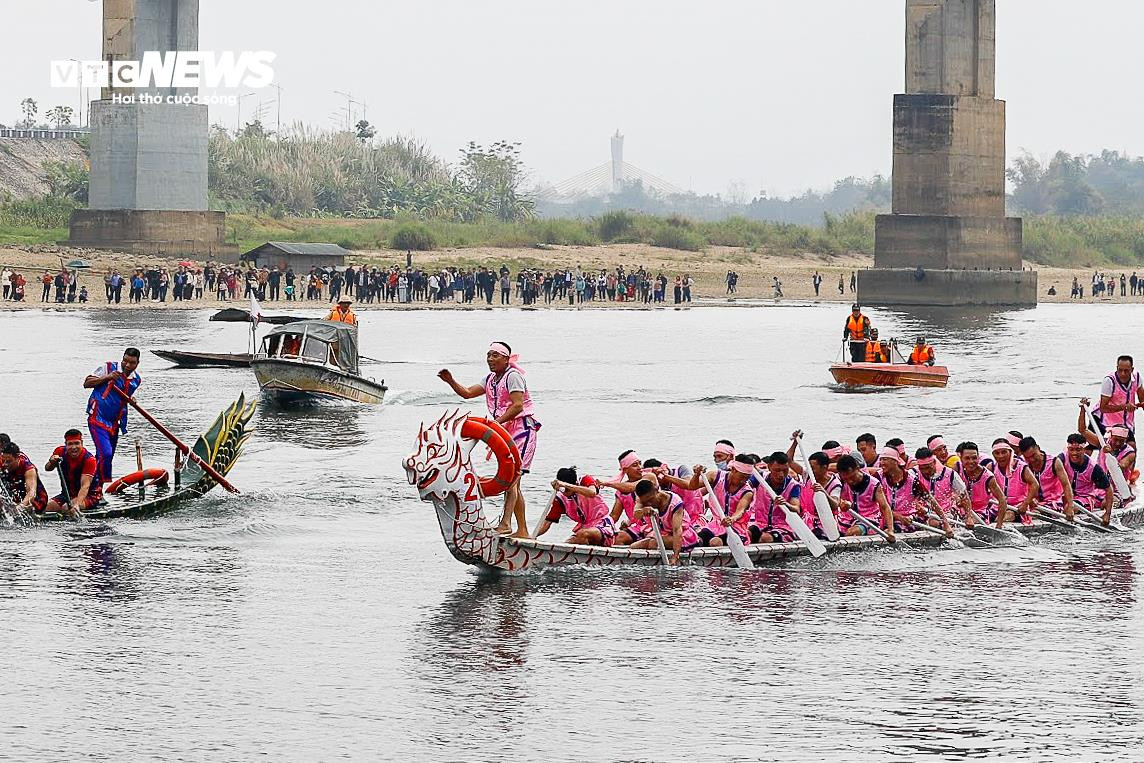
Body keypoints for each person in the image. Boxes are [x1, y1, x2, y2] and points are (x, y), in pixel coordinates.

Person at [438, 342, 540, 538]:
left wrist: (496, 424)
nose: (490, 359)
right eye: (488, 355)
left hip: (522, 429)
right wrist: (451, 381)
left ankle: (506, 525)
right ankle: (523, 531)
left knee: (512, 480)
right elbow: (467, 394)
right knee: (514, 483)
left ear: (506, 358)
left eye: (495, 355)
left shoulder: (513, 376)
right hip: (505, 430)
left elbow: (518, 406)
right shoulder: (491, 379)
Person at [83, 348, 143, 485]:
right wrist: (108, 377)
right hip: (97, 418)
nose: (127, 365)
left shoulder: (136, 380)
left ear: (137, 363)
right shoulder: (108, 367)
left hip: (114, 423)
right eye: (125, 361)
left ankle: (95, 488)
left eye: (131, 363)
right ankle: (97, 487)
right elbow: (87, 383)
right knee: (106, 453)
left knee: (104, 457)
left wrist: (130, 399)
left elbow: (121, 396)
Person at [534, 467, 615, 546]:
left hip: (603, 526)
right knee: (571, 540)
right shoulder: (560, 499)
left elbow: (592, 493)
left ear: (575, 483)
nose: (564, 493)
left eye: (567, 490)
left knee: (582, 534)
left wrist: (567, 485)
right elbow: (546, 523)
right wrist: (532, 536)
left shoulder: (585, 480)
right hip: (584, 529)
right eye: (563, 490)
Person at [629, 479, 697, 564]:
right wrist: (643, 510)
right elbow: (636, 514)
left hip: (682, 537)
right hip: (664, 535)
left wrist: (675, 557)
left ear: (657, 491)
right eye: (646, 502)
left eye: (650, 499)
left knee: (653, 543)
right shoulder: (642, 499)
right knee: (633, 546)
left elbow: (677, 531)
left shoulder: (675, 503)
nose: (649, 503)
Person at [44, 429, 101, 517]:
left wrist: (77, 505)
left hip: (89, 496)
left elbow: (85, 486)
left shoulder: (89, 460)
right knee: (47, 507)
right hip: (67, 494)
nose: (74, 447)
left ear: (81, 443)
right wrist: (52, 462)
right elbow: (47, 468)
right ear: (66, 444)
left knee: (66, 507)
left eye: (77, 443)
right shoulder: (59, 452)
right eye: (70, 444)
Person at [837, 455, 895, 541]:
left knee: (851, 532)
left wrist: (890, 530)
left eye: (852, 477)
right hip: (845, 520)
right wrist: (840, 502)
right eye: (846, 479)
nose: (850, 481)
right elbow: (834, 498)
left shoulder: (874, 484)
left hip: (868, 521)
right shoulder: (838, 480)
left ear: (857, 468)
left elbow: (885, 507)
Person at [1018, 436, 1077, 521]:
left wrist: (1070, 506)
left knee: (1034, 515)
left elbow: (1066, 485)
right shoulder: (1023, 464)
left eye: (1034, 455)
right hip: (1031, 503)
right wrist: (1029, 500)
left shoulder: (1054, 462)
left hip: (1052, 503)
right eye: (1027, 458)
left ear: (1038, 448)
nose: (1032, 460)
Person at [1061, 433, 1114, 525]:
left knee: (1068, 508)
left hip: (1083, 498)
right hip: (1064, 495)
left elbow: (1109, 490)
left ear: (1084, 449)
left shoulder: (1093, 468)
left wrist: (1107, 514)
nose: (1074, 453)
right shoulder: (1061, 459)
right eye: (1071, 450)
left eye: (1078, 450)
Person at [991, 439, 1039, 528]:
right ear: (993, 455)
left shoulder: (1021, 466)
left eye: (1004, 452)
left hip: (1017, 508)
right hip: (996, 506)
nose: (1001, 456)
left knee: (1006, 516)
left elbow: (1035, 484)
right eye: (997, 453)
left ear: (1010, 452)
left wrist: (1026, 503)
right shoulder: (991, 467)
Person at [1093, 355, 1143, 439]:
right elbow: (1103, 408)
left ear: (1132, 369)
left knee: (1131, 448)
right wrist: (1125, 407)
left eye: (1126, 371)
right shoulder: (1109, 381)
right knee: (1092, 448)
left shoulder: (1137, 378)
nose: (1123, 374)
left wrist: (1140, 404)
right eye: (1120, 370)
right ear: (1117, 368)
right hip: (1104, 422)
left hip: (1126, 423)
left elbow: (1142, 400)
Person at [0, 442, 48, 514]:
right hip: (13, 499)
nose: (5, 464)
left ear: (17, 458)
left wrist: (21, 507)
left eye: (9, 461)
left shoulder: (29, 469)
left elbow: (31, 493)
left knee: (25, 508)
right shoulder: (2, 464)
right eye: (3, 461)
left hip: (36, 500)